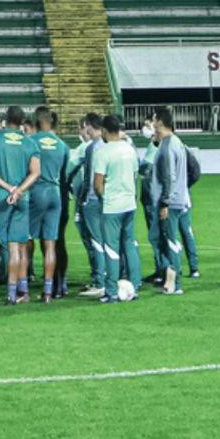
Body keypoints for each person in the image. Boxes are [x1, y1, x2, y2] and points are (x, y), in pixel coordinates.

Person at [0, 105, 40, 305]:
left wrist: (8, 188)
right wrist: (19, 190)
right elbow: (36, 172)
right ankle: (12, 294)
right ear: (22, 122)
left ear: (5, 119)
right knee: (16, 248)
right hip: (22, 199)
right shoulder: (30, 144)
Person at [92, 114, 141, 303]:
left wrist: (104, 197)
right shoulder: (129, 149)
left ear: (104, 130)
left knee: (111, 249)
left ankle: (111, 291)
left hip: (112, 206)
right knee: (129, 244)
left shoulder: (103, 152)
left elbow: (98, 184)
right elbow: (135, 174)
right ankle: (134, 285)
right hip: (130, 203)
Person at [27, 107, 69, 303]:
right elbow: (64, 174)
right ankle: (48, 291)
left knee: (26, 240)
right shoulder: (62, 145)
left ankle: (23, 287)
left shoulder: (31, 142)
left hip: (37, 191)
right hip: (55, 194)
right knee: (50, 243)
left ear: (36, 121)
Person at [153, 107, 190, 295]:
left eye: (153, 121)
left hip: (171, 202)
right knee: (170, 241)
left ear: (159, 122)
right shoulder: (177, 142)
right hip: (179, 199)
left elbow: (169, 176)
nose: (152, 125)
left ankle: (175, 283)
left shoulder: (167, 145)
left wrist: (165, 202)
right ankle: (171, 281)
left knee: (171, 242)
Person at [76, 114, 106, 298]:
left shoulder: (92, 148)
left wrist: (81, 201)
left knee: (95, 241)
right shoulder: (109, 145)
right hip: (109, 200)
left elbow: (88, 179)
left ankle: (99, 281)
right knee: (105, 241)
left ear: (88, 126)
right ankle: (105, 277)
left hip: (93, 199)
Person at [139, 117, 168, 286]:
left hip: (153, 197)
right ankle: (165, 269)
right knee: (160, 235)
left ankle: (162, 270)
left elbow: (145, 167)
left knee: (157, 235)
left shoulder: (155, 147)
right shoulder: (165, 146)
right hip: (157, 197)